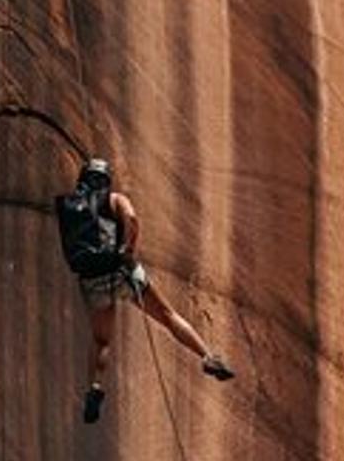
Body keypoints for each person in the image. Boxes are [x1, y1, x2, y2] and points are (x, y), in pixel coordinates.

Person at [56, 158, 233, 423]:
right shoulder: (114, 199)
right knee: (168, 316)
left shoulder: (72, 206)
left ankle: (94, 387)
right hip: (123, 273)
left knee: (101, 340)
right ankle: (207, 356)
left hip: (93, 281)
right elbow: (132, 219)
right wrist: (127, 249)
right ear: (106, 178)